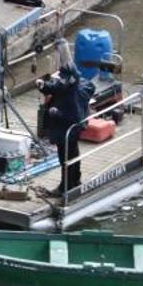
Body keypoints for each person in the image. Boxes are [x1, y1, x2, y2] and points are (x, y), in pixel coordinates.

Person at [36, 39, 95, 197]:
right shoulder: (69, 84)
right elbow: (57, 87)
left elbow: (72, 115)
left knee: (67, 158)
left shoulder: (72, 90)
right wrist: (44, 86)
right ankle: (73, 182)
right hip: (66, 128)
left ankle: (66, 187)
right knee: (71, 155)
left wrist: (56, 113)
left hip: (68, 128)